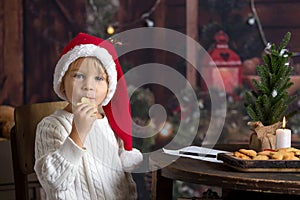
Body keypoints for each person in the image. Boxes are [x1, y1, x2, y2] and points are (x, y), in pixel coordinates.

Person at [34, 33, 143, 200]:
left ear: (109, 87)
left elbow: (124, 185)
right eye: (78, 76)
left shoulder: (111, 127)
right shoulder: (51, 126)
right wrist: (78, 132)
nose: (88, 86)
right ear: (63, 82)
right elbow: (52, 182)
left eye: (99, 78)